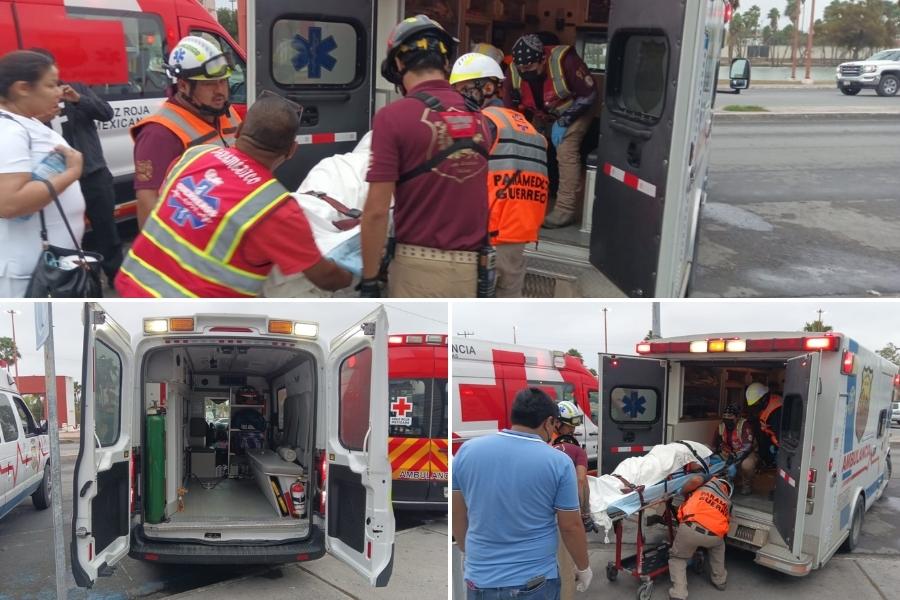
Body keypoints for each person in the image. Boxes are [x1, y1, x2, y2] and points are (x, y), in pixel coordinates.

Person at [115, 92, 352, 297]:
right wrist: (357, 272)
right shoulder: (275, 208)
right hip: (189, 315)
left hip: (132, 287)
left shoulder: (195, 156)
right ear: (291, 150)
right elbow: (325, 278)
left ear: (238, 131)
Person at [360, 15, 491, 298]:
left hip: (418, 271)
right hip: (473, 272)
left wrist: (369, 281)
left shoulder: (392, 118)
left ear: (398, 64)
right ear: (446, 63)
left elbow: (376, 212)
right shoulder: (481, 119)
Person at [453, 388, 593, 599]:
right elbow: (570, 526)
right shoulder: (558, 462)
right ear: (548, 422)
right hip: (534, 582)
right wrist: (583, 567)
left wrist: (471, 553)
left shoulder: (466, 452)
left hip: (480, 580)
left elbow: (458, 514)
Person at [449, 52, 549, 298]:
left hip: (489, 233)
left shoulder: (484, 122)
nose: (459, 96)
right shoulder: (526, 125)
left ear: (489, 86)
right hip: (519, 232)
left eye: (464, 89)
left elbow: (460, 177)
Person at [132, 35, 242, 228]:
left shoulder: (226, 113)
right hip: (195, 238)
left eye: (223, 81)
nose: (220, 91)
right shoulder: (158, 133)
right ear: (183, 85)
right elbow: (148, 205)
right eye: (209, 84)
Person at [32, 48, 122, 285]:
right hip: (59, 180)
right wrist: (40, 117)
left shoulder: (77, 88)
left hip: (94, 173)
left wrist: (78, 99)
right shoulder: (31, 104)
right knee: (68, 234)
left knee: (107, 231)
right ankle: (76, 281)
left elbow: (106, 113)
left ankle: (116, 278)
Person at [0, 50, 85, 297]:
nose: (59, 92)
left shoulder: (27, 122)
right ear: (23, 88)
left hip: (50, 267)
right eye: (50, 85)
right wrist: (72, 173)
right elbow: (9, 203)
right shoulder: (8, 131)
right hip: (27, 275)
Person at [503, 34, 597, 229]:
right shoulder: (513, 71)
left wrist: (564, 121)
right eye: (520, 69)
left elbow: (589, 94)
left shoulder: (566, 61)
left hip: (575, 110)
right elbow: (509, 108)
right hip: (542, 113)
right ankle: (524, 199)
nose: (524, 72)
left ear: (542, 60)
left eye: (529, 68)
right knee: (527, 148)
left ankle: (565, 208)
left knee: (565, 149)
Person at [551, 400, 591, 600]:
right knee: (565, 568)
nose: (574, 429)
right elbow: (581, 481)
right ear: (557, 423)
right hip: (563, 517)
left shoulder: (546, 447)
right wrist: (584, 512)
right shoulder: (578, 452)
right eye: (570, 425)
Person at [668, 475, 733, 600]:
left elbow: (695, 480)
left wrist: (681, 492)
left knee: (678, 558)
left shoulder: (707, 483)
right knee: (719, 547)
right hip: (714, 536)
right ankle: (720, 581)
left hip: (691, 528)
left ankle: (679, 593)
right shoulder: (727, 502)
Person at [713, 403, 756, 495]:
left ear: (737, 417)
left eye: (730, 416)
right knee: (714, 460)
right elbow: (715, 444)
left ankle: (746, 485)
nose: (727, 418)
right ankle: (722, 482)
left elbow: (747, 447)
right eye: (725, 416)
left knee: (747, 465)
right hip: (728, 452)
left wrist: (735, 458)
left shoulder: (745, 426)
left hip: (745, 453)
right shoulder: (721, 427)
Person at [745, 383, 783, 466]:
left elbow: (780, 436)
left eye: (756, 404)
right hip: (770, 435)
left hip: (780, 441)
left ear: (764, 398)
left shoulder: (777, 410)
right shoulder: (765, 404)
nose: (755, 407)